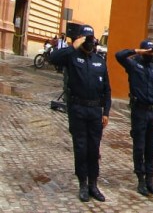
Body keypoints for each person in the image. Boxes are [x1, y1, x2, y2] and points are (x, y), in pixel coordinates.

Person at [50, 25, 110, 202]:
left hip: (95, 111)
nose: (90, 42)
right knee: (81, 148)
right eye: (86, 38)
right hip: (78, 109)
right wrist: (74, 45)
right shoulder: (71, 56)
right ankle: (83, 184)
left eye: (91, 38)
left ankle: (93, 184)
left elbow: (107, 89)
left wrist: (105, 111)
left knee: (94, 149)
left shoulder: (99, 60)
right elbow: (53, 58)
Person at [115, 40, 153, 197]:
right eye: (148, 51)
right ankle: (141, 179)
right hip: (139, 112)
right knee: (139, 147)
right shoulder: (134, 65)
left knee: (151, 148)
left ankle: (150, 179)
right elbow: (119, 56)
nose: (151, 54)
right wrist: (137, 51)